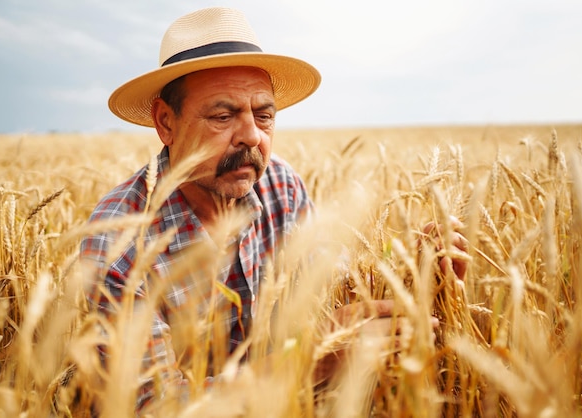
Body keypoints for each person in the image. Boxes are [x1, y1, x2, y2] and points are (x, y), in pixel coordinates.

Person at [79, 6, 469, 414]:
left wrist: (407, 275)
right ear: (165, 122)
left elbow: (332, 287)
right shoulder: (116, 243)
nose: (252, 136)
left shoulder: (280, 184)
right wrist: (304, 360)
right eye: (223, 115)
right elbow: (153, 407)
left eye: (264, 115)